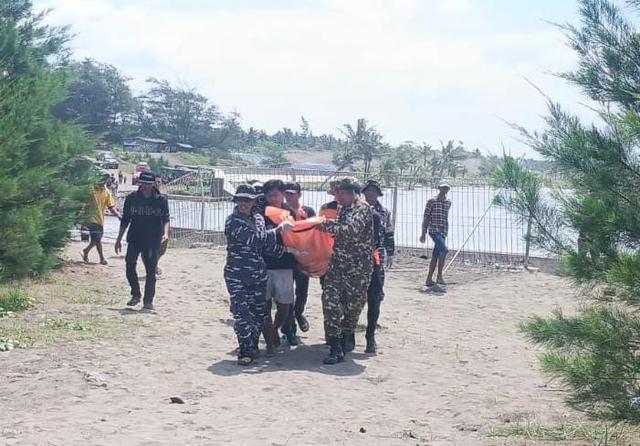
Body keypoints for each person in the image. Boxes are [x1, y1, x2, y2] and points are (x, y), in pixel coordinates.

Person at [223, 184, 292, 365]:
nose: (243, 204)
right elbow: (254, 240)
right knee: (242, 313)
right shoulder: (233, 221)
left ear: (254, 201)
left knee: (259, 313)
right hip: (237, 274)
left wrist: (289, 252)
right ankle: (245, 351)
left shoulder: (259, 219)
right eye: (240, 200)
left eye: (247, 200)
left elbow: (266, 246)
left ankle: (252, 346)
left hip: (258, 274)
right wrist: (278, 230)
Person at [320, 178, 374, 364]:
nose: (338, 197)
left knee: (353, 309)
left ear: (352, 193)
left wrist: (325, 224)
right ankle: (335, 346)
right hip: (337, 267)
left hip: (357, 270)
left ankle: (345, 337)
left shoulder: (362, 208)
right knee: (330, 303)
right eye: (336, 194)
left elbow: (350, 230)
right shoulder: (342, 208)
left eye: (341, 193)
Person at [115, 171, 170, 311]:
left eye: (149, 184)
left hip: (153, 239)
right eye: (143, 184)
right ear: (140, 184)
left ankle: (148, 301)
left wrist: (165, 233)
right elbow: (125, 220)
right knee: (129, 265)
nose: (146, 187)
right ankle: (136, 294)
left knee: (151, 271)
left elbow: (166, 219)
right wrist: (118, 239)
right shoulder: (132, 198)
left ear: (153, 185)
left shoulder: (161, 200)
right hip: (134, 238)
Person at [261, 179, 298, 348]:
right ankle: (270, 340)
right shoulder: (260, 212)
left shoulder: (290, 212)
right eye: (269, 195)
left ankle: (276, 328)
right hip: (264, 265)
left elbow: (298, 236)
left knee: (285, 305)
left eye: (276, 194)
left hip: (285, 265)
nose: (273, 198)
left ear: (283, 194)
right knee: (265, 304)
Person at [361, 180, 395, 353]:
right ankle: (348, 335)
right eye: (368, 191)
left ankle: (370, 335)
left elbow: (389, 233)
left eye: (374, 191)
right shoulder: (356, 210)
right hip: (356, 260)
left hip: (376, 259)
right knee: (353, 298)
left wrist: (391, 252)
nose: (371, 194)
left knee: (374, 298)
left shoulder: (384, 212)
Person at [283, 181, 316, 336]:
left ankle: (299, 313)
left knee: (302, 291)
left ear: (299, 195)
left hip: (303, 258)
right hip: (286, 257)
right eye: (286, 194)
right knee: (287, 293)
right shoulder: (281, 211)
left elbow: (315, 233)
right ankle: (289, 325)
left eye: (292, 194)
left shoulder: (308, 211)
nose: (289, 197)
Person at [81, 172, 122, 265]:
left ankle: (86, 251)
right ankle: (102, 258)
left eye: (105, 179)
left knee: (95, 239)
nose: (104, 180)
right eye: (102, 178)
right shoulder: (90, 189)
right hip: (90, 218)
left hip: (100, 220)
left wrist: (118, 215)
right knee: (97, 239)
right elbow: (82, 202)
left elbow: (111, 207)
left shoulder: (106, 192)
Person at [420, 181, 452, 287]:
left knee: (436, 255)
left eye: (446, 188)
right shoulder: (431, 201)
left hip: (443, 230)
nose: (444, 190)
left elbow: (445, 216)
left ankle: (429, 279)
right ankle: (439, 276)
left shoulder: (448, 202)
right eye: (443, 188)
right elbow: (426, 217)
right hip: (434, 230)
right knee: (444, 250)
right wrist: (423, 233)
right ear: (439, 188)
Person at [155, 177, 169, 277]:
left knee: (162, 250)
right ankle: (152, 268)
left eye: (158, 182)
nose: (156, 184)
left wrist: (166, 231)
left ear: (161, 184)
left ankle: (154, 265)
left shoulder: (164, 198)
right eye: (154, 182)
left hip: (162, 225)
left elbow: (166, 215)